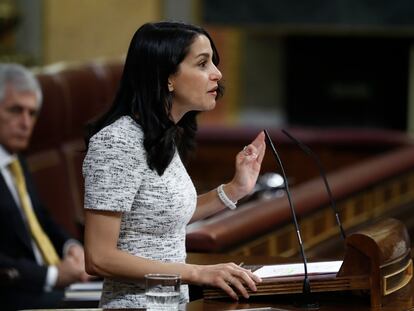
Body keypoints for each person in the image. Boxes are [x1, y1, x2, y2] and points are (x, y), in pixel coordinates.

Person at [83, 21, 266, 309]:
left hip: (168, 304)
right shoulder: (117, 143)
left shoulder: (161, 134)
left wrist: (235, 189)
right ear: (168, 77)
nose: (217, 74)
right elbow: (99, 257)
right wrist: (198, 273)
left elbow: (162, 217)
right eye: (203, 64)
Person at [0, 64, 89, 310]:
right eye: (16, 110)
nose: (26, 122)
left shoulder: (15, 160)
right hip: (16, 294)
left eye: (32, 113)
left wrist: (71, 247)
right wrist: (52, 275)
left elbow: (41, 218)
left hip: (49, 285)